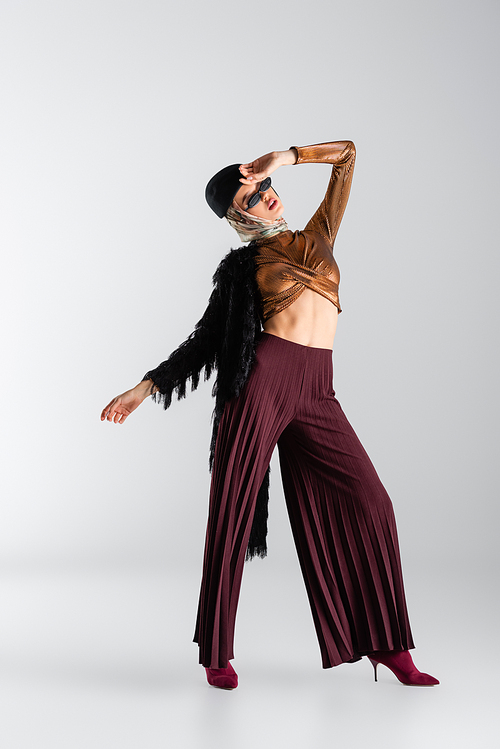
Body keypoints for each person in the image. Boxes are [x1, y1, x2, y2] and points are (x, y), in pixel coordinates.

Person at [101, 140, 439, 690]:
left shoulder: (318, 234)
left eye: (265, 189)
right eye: (252, 198)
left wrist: (283, 158)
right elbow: (207, 341)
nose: (267, 197)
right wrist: (145, 388)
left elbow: (348, 155)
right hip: (262, 384)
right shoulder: (244, 266)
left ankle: (387, 645)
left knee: (373, 502)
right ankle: (217, 653)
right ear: (237, 216)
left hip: (318, 390)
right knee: (230, 515)